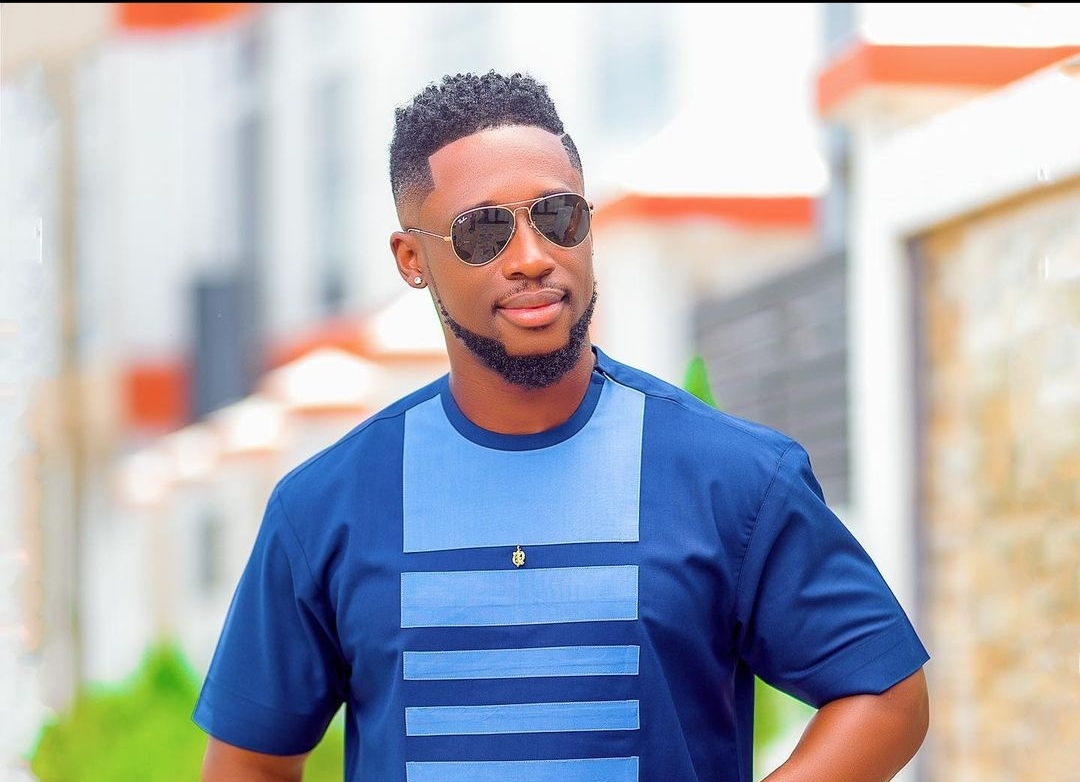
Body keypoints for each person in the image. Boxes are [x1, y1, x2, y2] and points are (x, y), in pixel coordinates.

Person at [193, 70, 930, 782]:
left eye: (558, 217)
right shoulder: (325, 508)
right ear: (412, 258)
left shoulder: (733, 478)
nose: (532, 257)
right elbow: (250, 761)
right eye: (483, 231)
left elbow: (886, 696)